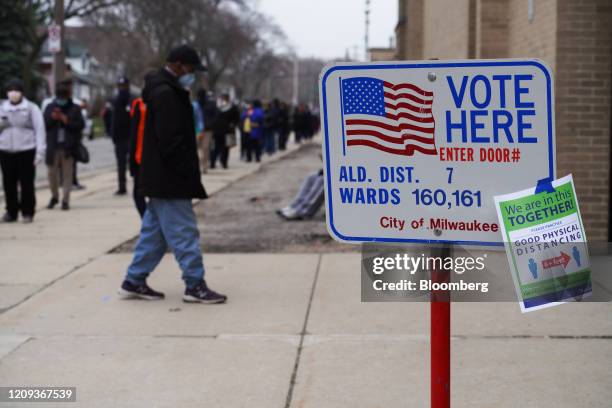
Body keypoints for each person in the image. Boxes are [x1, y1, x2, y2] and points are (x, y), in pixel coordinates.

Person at [118, 44, 227, 304]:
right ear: (178, 65)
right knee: (184, 231)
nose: (192, 74)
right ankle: (195, 284)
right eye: (190, 69)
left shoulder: (162, 90)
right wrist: (185, 173)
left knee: (154, 234)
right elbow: (171, 140)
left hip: (160, 176)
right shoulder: (167, 94)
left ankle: (134, 280)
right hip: (170, 177)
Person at [0, 78, 46, 223]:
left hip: (26, 150)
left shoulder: (31, 108)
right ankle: (11, 212)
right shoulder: (2, 108)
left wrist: (40, 152)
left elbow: (40, 130)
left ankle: (28, 211)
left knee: (26, 183)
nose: (13, 93)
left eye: (16, 90)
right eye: (10, 90)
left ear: (22, 93)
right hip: (6, 150)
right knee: (8, 183)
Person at [43, 80, 84, 211]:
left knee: (67, 175)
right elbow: (44, 125)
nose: (61, 99)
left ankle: (65, 200)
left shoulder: (75, 108)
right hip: (53, 146)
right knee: (51, 174)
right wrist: (53, 118)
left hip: (68, 147)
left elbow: (80, 126)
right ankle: (54, 196)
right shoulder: (50, 107)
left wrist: (67, 120)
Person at [111, 77, 133, 195]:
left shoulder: (132, 99)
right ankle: (122, 186)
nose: (122, 88)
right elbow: (114, 119)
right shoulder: (116, 100)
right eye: (120, 86)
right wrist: (113, 135)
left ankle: (138, 185)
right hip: (119, 137)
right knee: (121, 164)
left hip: (131, 136)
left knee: (134, 163)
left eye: (124, 86)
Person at [128, 95, 147, 217]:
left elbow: (134, 135)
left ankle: (149, 225)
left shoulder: (139, 104)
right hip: (156, 159)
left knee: (138, 194)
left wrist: (132, 164)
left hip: (141, 157)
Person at [211, 93, 239, 169]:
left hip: (226, 130)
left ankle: (223, 162)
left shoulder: (232, 107)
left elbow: (236, 118)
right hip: (219, 130)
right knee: (217, 147)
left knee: (224, 148)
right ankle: (214, 162)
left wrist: (233, 124)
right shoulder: (216, 105)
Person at [197, 88, 215, 173]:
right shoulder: (210, 104)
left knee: (202, 148)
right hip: (205, 129)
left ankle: (202, 166)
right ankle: (203, 166)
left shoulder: (196, 104)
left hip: (201, 129)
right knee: (205, 149)